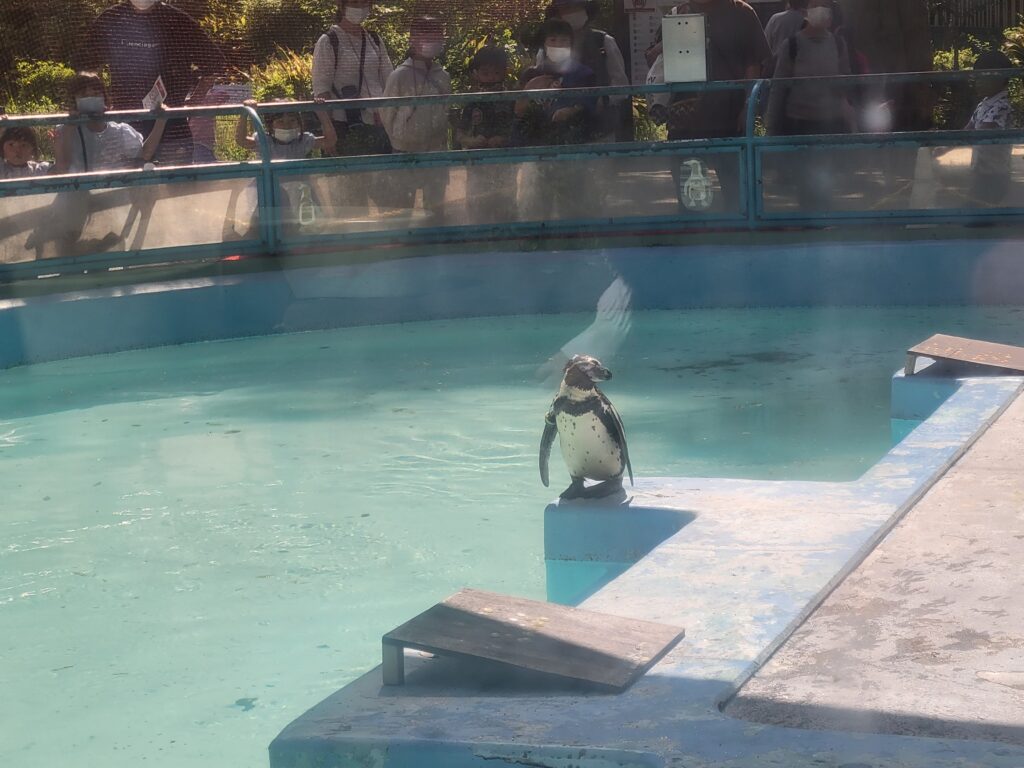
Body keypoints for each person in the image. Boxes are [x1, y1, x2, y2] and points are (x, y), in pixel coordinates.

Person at [648, 0, 769, 212]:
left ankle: (738, 230)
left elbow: (754, 63)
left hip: (729, 118)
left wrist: (748, 106)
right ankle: (694, 232)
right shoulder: (678, 12)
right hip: (685, 119)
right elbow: (654, 59)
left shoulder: (742, 13)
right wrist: (670, 42)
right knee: (690, 195)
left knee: (737, 191)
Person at [75, 0, 226, 165]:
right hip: (126, 126)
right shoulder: (111, 18)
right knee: (129, 184)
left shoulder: (177, 21)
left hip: (171, 126)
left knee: (176, 185)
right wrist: (98, 99)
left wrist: (195, 101)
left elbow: (214, 63)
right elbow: (84, 65)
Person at [514, 20, 597, 220]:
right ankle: (536, 241)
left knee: (572, 204)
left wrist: (572, 110)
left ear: (571, 44)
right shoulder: (531, 74)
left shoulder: (583, 74)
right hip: (537, 148)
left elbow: (591, 105)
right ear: (544, 43)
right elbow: (518, 111)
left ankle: (574, 241)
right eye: (553, 40)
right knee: (536, 205)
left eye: (564, 41)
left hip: (572, 148)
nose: (558, 44)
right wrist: (529, 89)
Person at [381, 15, 452, 220]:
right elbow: (387, 113)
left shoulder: (443, 76)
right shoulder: (399, 76)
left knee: (436, 210)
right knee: (402, 210)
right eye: (425, 35)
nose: (431, 41)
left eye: (436, 36)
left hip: (436, 152)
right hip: (405, 152)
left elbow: (445, 110)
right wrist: (400, 138)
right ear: (412, 39)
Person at [538, 0, 630, 141]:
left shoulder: (603, 41)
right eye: (566, 8)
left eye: (577, 7)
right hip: (555, 132)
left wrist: (602, 100)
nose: (572, 12)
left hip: (599, 129)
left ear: (586, 10)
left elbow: (621, 85)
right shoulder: (545, 49)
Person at [312, 0, 394, 156]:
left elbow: (390, 80)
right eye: (355, 3)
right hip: (344, 124)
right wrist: (328, 131)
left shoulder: (374, 39)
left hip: (379, 124)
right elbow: (321, 89)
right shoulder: (329, 41)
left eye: (365, 3)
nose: (360, 8)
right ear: (342, 6)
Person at [52, 72, 168, 174]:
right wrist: (70, 126)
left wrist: (161, 120)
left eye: (96, 94)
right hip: (77, 194)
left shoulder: (120, 131)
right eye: (84, 95)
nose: (90, 98)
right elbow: (62, 168)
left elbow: (145, 153)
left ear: (104, 99)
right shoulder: (63, 130)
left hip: (113, 194)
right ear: (74, 100)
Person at [766, 0, 851, 137]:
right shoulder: (791, 46)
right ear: (805, 12)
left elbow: (847, 85)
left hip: (833, 125)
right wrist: (771, 131)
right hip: (798, 125)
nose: (820, 9)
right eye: (814, 5)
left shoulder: (839, 44)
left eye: (825, 6)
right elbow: (778, 90)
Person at [455, 46, 517, 223]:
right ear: (476, 74)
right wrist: (472, 141)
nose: (491, 78)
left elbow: (519, 130)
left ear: (505, 73)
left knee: (506, 205)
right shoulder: (472, 101)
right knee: (478, 207)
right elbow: (459, 134)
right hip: (477, 165)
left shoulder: (511, 99)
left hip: (505, 164)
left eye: (497, 73)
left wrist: (504, 139)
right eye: (486, 73)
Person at [963, 50, 1014, 207]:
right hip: (980, 172)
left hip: (994, 175)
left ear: (999, 78)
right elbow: (967, 131)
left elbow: (982, 132)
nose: (977, 81)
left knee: (978, 215)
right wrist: (942, 144)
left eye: (982, 77)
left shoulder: (1001, 106)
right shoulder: (983, 105)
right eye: (976, 77)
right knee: (974, 215)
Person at [235, 100, 337, 160]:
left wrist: (321, 112)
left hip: (295, 185)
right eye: (280, 122)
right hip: (266, 187)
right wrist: (245, 113)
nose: (287, 126)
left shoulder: (302, 140)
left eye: (292, 120)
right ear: (271, 126)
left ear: (299, 123)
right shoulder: (264, 141)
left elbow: (330, 141)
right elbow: (242, 140)